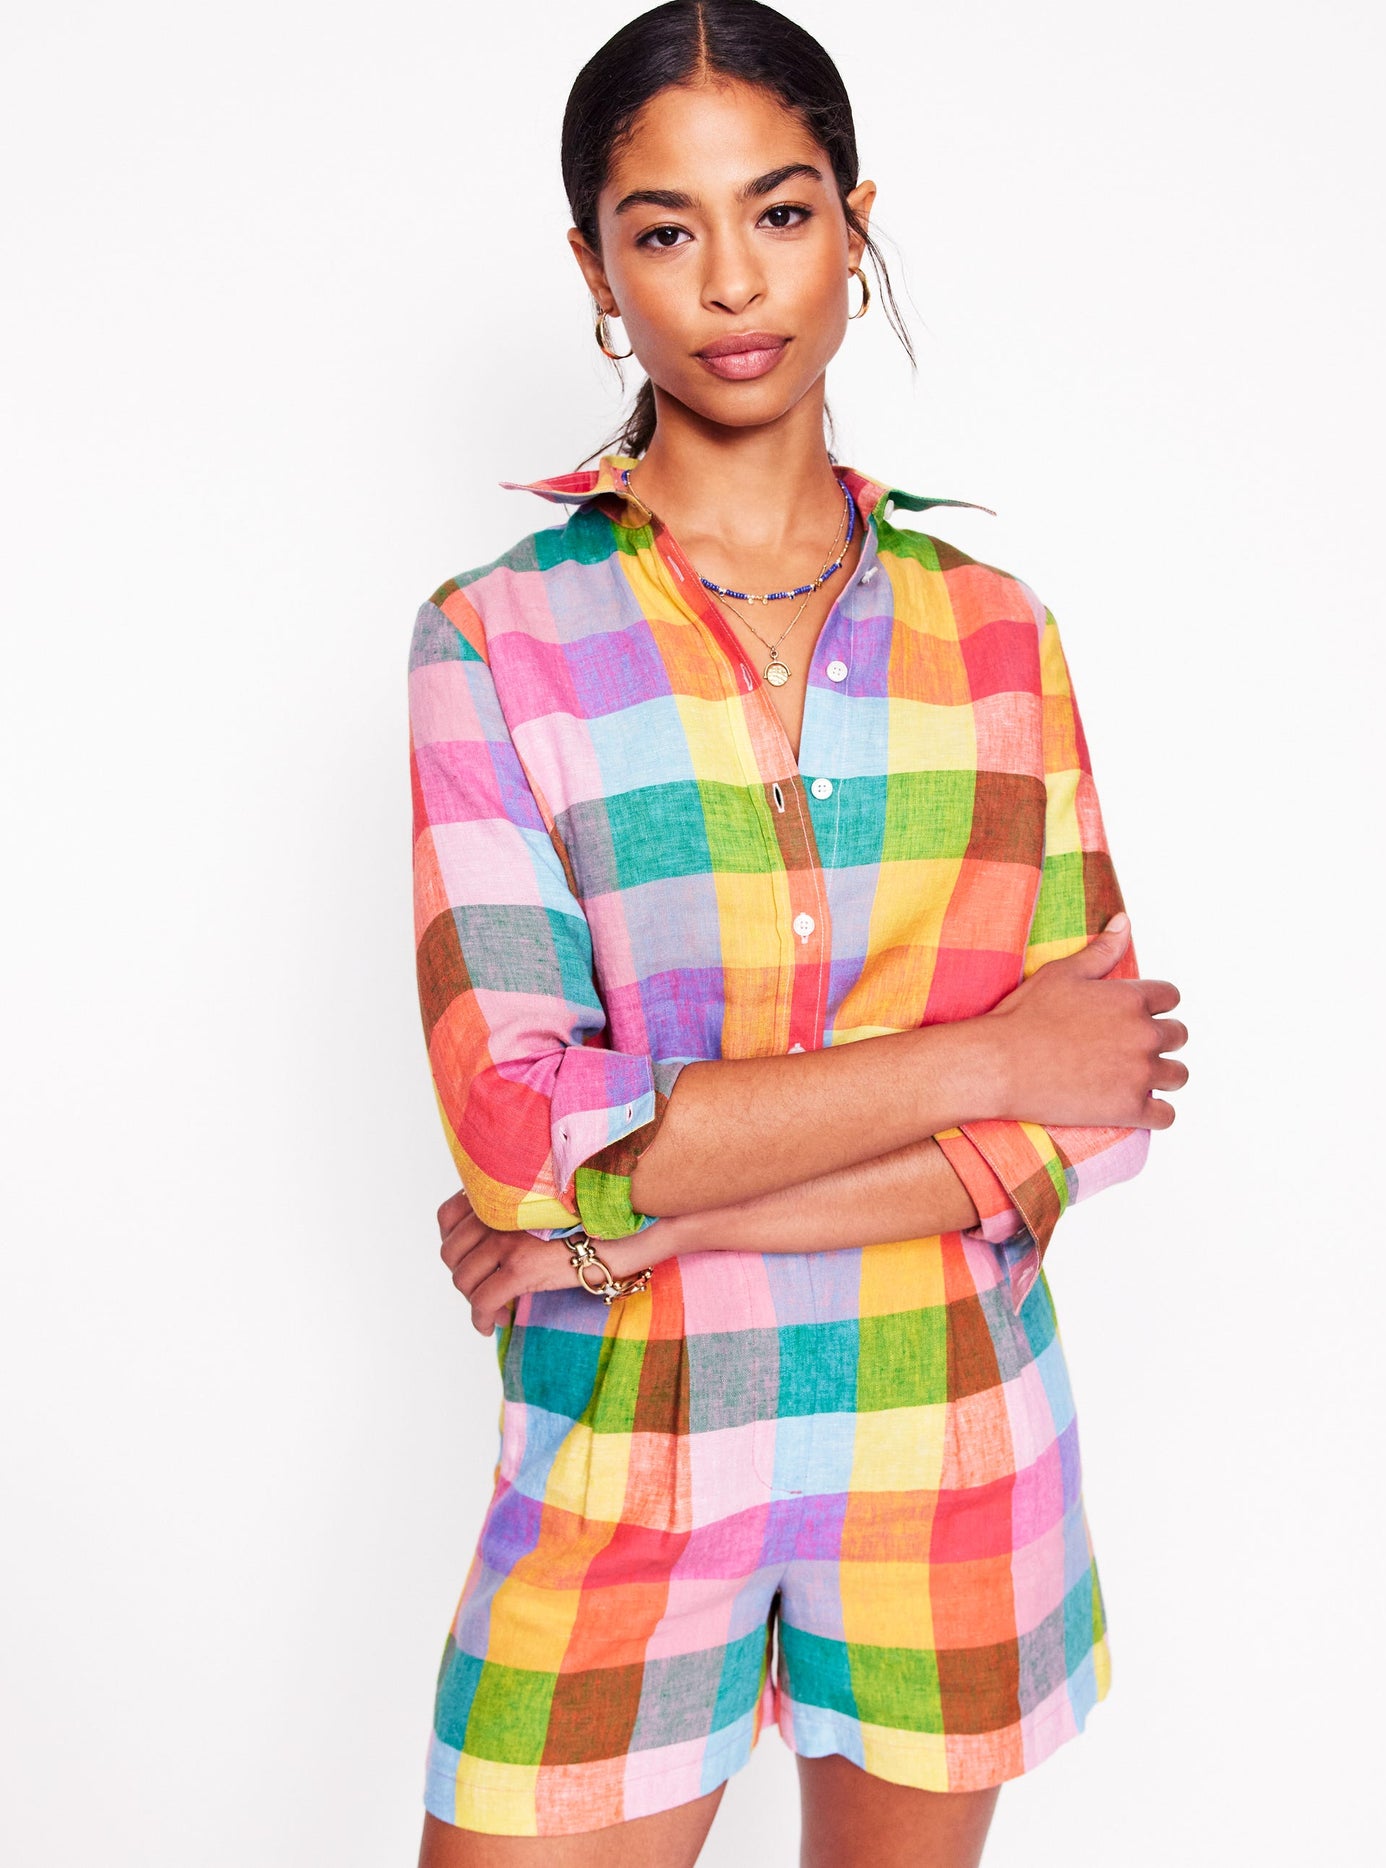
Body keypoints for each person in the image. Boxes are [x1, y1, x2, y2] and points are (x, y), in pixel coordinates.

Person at [407, 4, 1188, 1862]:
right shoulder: (496, 637)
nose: (730, 281)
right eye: (661, 229)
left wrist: (648, 1217)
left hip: (951, 1443)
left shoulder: (996, 632)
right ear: (595, 270)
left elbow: (1091, 1113)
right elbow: (521, 1135)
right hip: (626, 1460)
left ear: (852, 224)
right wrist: (978, 1059)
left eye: (778, 211)